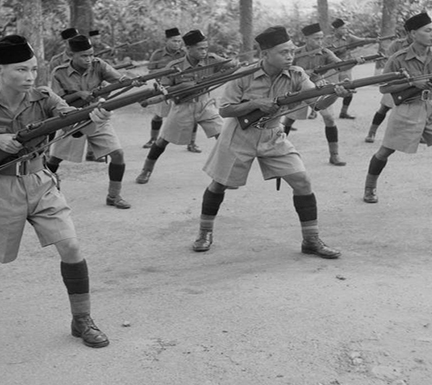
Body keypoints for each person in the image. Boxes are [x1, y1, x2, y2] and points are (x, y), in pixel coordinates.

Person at [0, 34, 109, 348]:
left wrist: (96, 117)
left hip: (40, 182)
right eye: (21, 70)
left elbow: (74, 122)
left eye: (33, 69)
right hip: (0, 185)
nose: (29, 77)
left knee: (72, 247)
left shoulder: (45, 97)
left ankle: (82, 320)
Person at [189, 26, 344, 258]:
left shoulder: (297, 74)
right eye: (283, 52)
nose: (290, 57)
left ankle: (311, 240)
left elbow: (317, 103)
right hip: (239, 135)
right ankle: (204, 233)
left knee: (302, 181)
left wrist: (335, 93)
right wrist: (255, 104)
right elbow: (224, 110)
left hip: (273, 135)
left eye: (292, 51)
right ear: (265, 55)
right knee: (219, 184)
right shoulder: (243, 75)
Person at [363, 12, 432, 209]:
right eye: (428, 31)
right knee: (385, 151)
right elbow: (384, 87)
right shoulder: (398, 58)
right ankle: (369, 188)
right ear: (414, 33)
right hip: (407, 108)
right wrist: (412, 83)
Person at [45, 35, 132, 209]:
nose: (89, 59)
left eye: (91, 54)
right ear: (71, 55)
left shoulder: (99, 65)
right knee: (54, 160)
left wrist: (130, 80)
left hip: (97, 115)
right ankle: (41, 192)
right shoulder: (59, 72)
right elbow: (56, 101)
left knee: (118, 154)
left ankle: (114, 196)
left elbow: (119, 80)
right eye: (84, 56)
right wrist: (79, 95)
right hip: (71, 118)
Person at [135, 29, 229, 184]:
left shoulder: (211, 59)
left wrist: (231, 66)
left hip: (205, 104)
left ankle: (223, 176)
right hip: (182, 106)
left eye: (206, 48)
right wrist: (182, 88)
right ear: (188, 49)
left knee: (224, 138)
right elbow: (164, 88)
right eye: (200, 48)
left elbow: (233, 65)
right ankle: (146, 169)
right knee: (162, 141)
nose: (204, 52)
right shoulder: (174, 66)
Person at [365, 34, 432, 143]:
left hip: (422, 83)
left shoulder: (430, 43)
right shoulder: (397, 44)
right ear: (412, 32)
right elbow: (390, 62)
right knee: (384, 108)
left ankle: (421, 134)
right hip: (399, 83)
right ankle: (372, 132)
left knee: (425, 109)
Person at [283, 23, 347, 166]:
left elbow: (341, 65)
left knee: (329, 118)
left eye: (321, 38)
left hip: (318, 85)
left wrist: (355, 62)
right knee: (289, 119)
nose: (319, 42)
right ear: (306, 39)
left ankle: (334, 155)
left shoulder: (325, 52)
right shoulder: (297, 53)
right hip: (298, 86)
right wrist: (304, 73)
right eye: (316, 39)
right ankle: (275, 148)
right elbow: (285, 69)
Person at [142, 27, 202, 153]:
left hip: (181, 87)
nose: (177, 44)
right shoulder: (158, 54)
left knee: (192, 114)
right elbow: (151, 71)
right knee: (158, 115)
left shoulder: (185, 54)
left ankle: (192, 143)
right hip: (163, 87)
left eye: (179, 41)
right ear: (167, 41)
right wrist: (165, 72)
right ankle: (153, 139)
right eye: (174, 41)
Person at [326, 18, 375, 119]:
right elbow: (324, 52)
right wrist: (338, 50)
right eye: (343, 28)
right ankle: (314, 111)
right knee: (326, 90)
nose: (345, 30)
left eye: (346, 28)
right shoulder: (328, 39)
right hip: (331, 68)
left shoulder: (349, 38)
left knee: (349, 87)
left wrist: (375, 40)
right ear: (335, 29)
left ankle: (344, 112)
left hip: (346, 67)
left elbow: (362, 41)